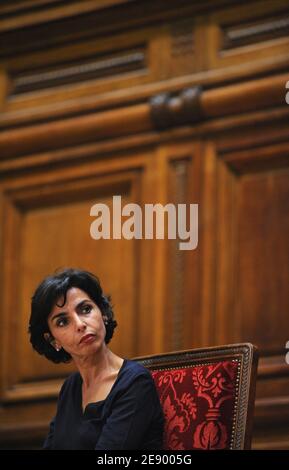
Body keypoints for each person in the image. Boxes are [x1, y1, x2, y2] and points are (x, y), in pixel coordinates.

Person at [28, 268, 164, 450]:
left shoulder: (135, 382)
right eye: (63, 321)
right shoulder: (70, 388)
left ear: (103, 313)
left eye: (85, 309)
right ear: (53, 340)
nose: (80, 324)